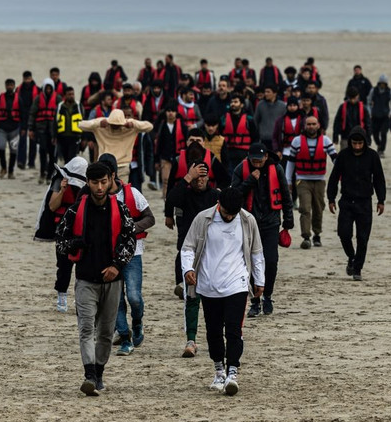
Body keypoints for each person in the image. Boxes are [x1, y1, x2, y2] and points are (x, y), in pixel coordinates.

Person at [55, 162, 137, 396]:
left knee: (105, 332)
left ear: (110, 180)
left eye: (103, 182)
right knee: (85, 328)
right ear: (88, 183)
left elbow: (130, 240)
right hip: (85, 281)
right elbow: (60, 240)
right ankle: (89, 374)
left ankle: (99, 373)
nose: (100, 187)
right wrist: (73, 244)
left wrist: (117, 265)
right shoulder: (75, 210)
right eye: (95, 182)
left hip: (113, 281)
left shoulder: (120, 209)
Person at [180, 187, 264, 396]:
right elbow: (188, 247)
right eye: (226, 213)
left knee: (234, 330)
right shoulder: (203, 219)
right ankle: (218, 370)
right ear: (219, 204)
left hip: (237, 284)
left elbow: (256, 252)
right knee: (214, 331)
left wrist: (260, 280)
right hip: (208, 284)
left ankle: (232, 373)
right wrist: (188, 269)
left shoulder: (247, 220)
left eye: (233, 214)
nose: (229, 217)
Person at [92, 155, 156, 357]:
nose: (101, 185)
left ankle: (137, 322)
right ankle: (125, 338)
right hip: (108, 254)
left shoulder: (132, 193)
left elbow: (150, 218)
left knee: (134, 297)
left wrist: (130, 229)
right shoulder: (95, 198)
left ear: (112, 176)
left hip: (133, 252)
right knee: (115, 300)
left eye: (104, 178)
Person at [165, 149, 220, 357]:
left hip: (214, 253)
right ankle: (191, 340)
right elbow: (170, 200)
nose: (200, 180)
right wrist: (188, 177)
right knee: (192, 297)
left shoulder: (216, 196)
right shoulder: (185, 193)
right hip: (190, 252)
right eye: (197, 176)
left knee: (215, 298)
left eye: (203, 176)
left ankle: (216, 337)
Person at [232, 143, 293, 316]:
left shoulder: (277, 169)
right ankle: (255, 301)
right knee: (249, 262)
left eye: (260, 160)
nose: (257, 164)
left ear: (266, 156)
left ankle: (268, 295)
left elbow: (285, 195)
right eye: (254, 161)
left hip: (271, 222)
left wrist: (288, 220)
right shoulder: (240, 170)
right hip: (247, 223)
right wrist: (250, 180)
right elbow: (234, 195)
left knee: (271, 261)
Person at [327, 127, 386, 281]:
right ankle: (352, 257)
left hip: (365, 202)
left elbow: (379, 179)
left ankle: (357, 268)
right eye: (355, 143)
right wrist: (331, 198)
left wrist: (381, 200)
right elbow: (334, 178)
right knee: (343, 233)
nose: (357, 146)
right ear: (350, 142)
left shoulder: (372, 156)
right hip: (346, 201)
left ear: (364, 143)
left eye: (360, 143)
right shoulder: (343, 156)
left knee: (363, 237)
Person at [34, 157, 88, 313]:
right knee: (63, 265)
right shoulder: (60, 179)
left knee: (83, 265)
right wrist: (63, 190)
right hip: (62, 228)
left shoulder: (89, 184)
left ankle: (81, 299)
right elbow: (52, 206)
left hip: (80, 228)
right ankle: (62, 297)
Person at [286, 116, 338, 249]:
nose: (311, 126)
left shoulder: (326, 141)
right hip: (302, 180)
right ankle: (306, 237)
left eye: (313, 124)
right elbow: (291, 162)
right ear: (304, 126)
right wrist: (288, 180)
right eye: (308, 124)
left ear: (318, 125)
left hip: (319, 180)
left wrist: (342, 173)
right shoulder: (297, 141)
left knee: (318, 208)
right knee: (305, 208)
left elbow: (335, 159)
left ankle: (317, 234)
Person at [79, 108, 153, 182]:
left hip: (123, 165)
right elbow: (81, 125)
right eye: (113, 124)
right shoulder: (102, 123)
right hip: (104, 165)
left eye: (117, 124)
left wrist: (133, 124)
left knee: (120, 191)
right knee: (105, 191)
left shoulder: (130, 125)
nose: (115, 126)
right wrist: (98, 123)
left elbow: (149, 127)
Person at [27, 78, 60, 185]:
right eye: (47, 88)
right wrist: (31, 128)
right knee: (42, 152)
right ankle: (42, 173)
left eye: (50, 88)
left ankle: (50, 175)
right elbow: (32, 114)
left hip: (53, 131)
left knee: (52, 155)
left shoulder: (58, 99)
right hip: (41, 130)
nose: (48, 90)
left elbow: (61, 114)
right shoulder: (37, 99)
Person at [153, 102, 188, 197]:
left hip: (179, 157)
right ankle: (166, 198)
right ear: (165, 113)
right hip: (165, 157)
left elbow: (186, 141)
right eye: (168, 111)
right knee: (165, 180)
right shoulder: (161, 126)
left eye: (173, 111)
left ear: (176, 113)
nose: (170, 113)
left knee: (179, 179)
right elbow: (158, 145)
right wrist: (156, 160)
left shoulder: (183, 126)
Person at [221, 93, 259, 175]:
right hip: (228, 152)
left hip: (244, 153)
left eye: (235, 102)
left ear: (242, 105)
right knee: (230, 176)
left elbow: (255, 137)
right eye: (231, 102)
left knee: (244, 176)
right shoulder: (224, 118)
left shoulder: (249, 120)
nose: (233, 104)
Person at [0, 78, 20, 179]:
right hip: (2, 128)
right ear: (5, 86)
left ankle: (11, 171)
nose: (10, 87)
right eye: (8, 85)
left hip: (14, 129)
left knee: (13, 150)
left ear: (14, 86)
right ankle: (3, 168)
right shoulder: (0, 98)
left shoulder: (18, 98)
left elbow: (23, 113)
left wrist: (24, 128)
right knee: (1, 148)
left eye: (11, 85)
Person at [367, 75, 391, 157]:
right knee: (375, 133)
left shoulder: (389, 92)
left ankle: (381, 150)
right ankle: (379, 144)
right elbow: (368, 101)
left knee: (383, 133)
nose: (382, 85)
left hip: (385, 116)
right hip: (375, 115)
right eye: (381, 83)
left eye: (384, 83)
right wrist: (370, 111)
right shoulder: (373, 90)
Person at [16, 71, 39, 171]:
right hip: (22, 117)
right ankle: (21, 161)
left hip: (33, 118)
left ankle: (31, 162)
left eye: (28, 79)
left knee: (33, 140)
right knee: (22, 140)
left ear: (31, 78)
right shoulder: (19, 89)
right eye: (25, 79)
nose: (27, 81)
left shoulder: (37, 89)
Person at [55, 86, 84, 165]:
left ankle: (69, 175)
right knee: (64, 158)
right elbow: (55, 121)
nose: (71, 96)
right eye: (69, 94)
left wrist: (84, 137)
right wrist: (54, 136)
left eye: (72, 94)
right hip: (62, 137)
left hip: (75, 137)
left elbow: (84, 121)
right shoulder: (60, 106)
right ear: (65, 96)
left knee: (71, 159)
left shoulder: (78, 105)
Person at [254, 85, 287, 150]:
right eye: (265, 92)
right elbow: (255, 121)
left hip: (278, 140)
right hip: (264, 139)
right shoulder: (260, 105)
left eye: (268, 92)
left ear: (275, 93)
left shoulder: (282, 106)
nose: (266, 94)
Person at [271, 97, 303, 162]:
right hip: (285, 151)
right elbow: (275, 137)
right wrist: (277, 150)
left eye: (294, 105)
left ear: (298, 106)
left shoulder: (303, 119)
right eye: (290, 105)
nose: (292, 107)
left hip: (300, 150)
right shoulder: (280, 120)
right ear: (287, 106)